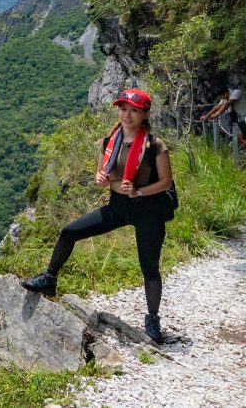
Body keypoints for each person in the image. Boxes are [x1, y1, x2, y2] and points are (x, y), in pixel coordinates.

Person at [21, 88, 173, 344]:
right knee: (69, 232)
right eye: (123, 108)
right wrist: (100, 178)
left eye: (134, 110)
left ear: (145, 113)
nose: (127, 114)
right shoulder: (109, 141)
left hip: (149, 210)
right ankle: (49, 278)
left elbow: (167, 182)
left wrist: (139, 191)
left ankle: (153, 320)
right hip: (117, 207)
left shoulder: (154, 144)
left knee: (149, 267)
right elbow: (101, 174)